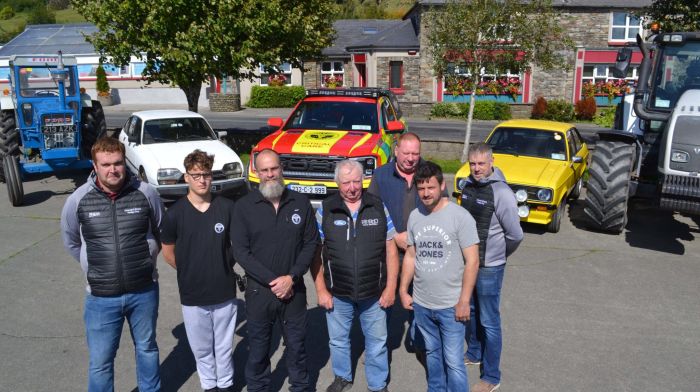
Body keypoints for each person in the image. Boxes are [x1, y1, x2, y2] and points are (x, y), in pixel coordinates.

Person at [60, 136, 164, 392]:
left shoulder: (146, 193)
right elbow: (72, 241)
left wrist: (146, 261)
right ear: (95, 166)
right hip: (100, 298)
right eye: (105, 164)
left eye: (117, 163)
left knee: (147, 349)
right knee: (101, 362)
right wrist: (94, 267)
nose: (113, 170)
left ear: (124, 162)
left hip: (144, 291)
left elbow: (161, 231)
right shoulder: (78, 200)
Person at [231, 149, 319, 392]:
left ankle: (300, 387)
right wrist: (274, 281)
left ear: (282, 168)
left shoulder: (300, 202)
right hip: (260, 293)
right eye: (264, 170)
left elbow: (311, 243)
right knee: (259, 350)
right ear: (257, 173)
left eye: (274, 168)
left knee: (297, 348)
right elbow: (241, 252)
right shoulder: (243, 207)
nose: (270, 174)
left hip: (295, 291)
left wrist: (291, 277)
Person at [311, 160, 399, 392]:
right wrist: (320, 289)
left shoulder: (378, 207)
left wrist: (391, 288)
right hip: (338, 292)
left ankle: (378, 384)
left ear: (364, 180)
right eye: (346, 182)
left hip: (374, 292)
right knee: (338, 340)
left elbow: (391, 249)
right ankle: (342, 377)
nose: (352, 187)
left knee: (377, 343)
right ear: (337, 183)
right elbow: (316, 253)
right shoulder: (326, 209)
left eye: (356, 181)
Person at [160, 150, 238, 392]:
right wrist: (191, 270)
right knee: (202, 348)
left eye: (206, 174)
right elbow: (168, 252)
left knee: (224, 346)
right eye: (196, 175)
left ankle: (225, 385)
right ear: (186, 178)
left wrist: (222, 264)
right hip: (193, 294)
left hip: (224, 290)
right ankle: (209, 386)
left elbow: (238, 245)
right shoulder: (174, 214)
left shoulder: (227, 207)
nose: (202, 180)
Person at [399, 161, 479, 392]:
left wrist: (464, 301)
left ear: (442, 185)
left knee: (454, 362)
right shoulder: (415, 216)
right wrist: (404, 290)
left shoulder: (459, 216)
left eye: (430, 187)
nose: (425, 193)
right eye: (421, 188)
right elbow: (411, 256)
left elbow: (473, 261)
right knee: (433, 354)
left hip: (451, 306)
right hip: (423, 304)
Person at [460, 142, 523, 392]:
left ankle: (492, 376)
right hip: (469, 264)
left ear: (492, 162)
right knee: (472, 311)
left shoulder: (502, 193)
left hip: (489, 267)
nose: (476, 169)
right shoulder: (466, 185)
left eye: (481, 164)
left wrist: (499, 255)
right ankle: (474, 352)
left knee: (489, 321)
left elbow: (515, 234)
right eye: (473, 163)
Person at [368, 132, 428, 363]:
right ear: (396, 151)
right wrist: (393, 237)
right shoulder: (381, 175)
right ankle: (378, 349)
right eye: (406, 153)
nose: (411, 158)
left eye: (416, 153)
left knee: (420, 302)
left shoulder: (429, 172)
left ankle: (420, 343)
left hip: (422, 252)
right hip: (390, 251)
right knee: (385, 301)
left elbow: (441, 209)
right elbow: (372, 213)